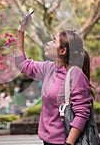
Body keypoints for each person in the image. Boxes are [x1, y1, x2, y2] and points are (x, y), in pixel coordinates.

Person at [15, 16, 93, 145]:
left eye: (53, 41)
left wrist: (69, 143)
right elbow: (22, 64)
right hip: (47, 140)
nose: (48, 43)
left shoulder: (75, 75)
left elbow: (82, 113)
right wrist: (21, 31)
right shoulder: (48, 68)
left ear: (62, 51)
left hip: (64, 141)